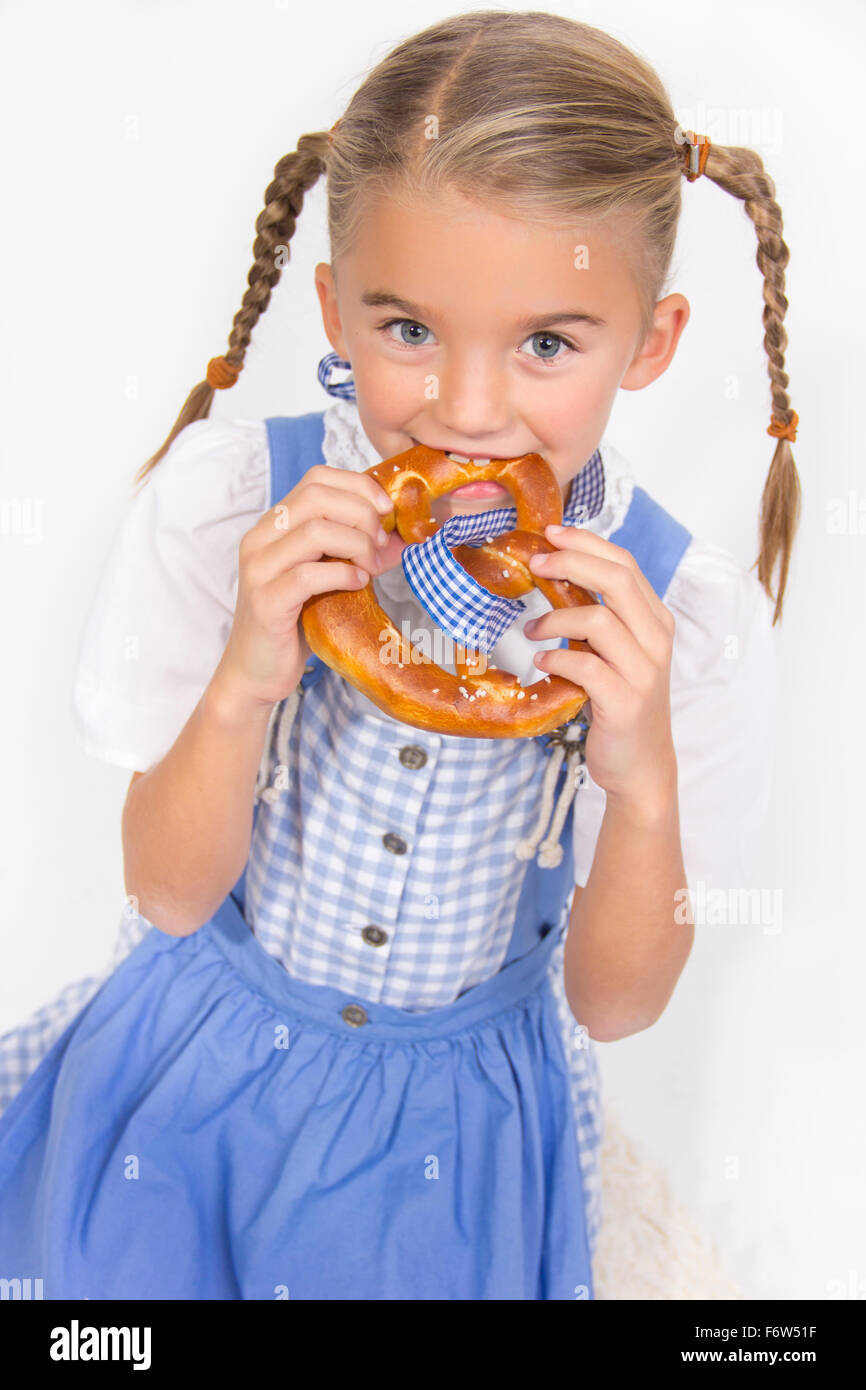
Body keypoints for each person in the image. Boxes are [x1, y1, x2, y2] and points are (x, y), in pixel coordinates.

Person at [0, 10, 797, 1300]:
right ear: (332, 307)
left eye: (548, 343)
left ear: (650, 342)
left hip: (454, 1140)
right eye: (409, 331)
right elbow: (169, 896)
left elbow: (617, 1006)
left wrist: (642, 783)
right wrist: (245, 681)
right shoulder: (248, 510)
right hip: (197, 1082)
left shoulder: (670, 618)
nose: (469, 410)